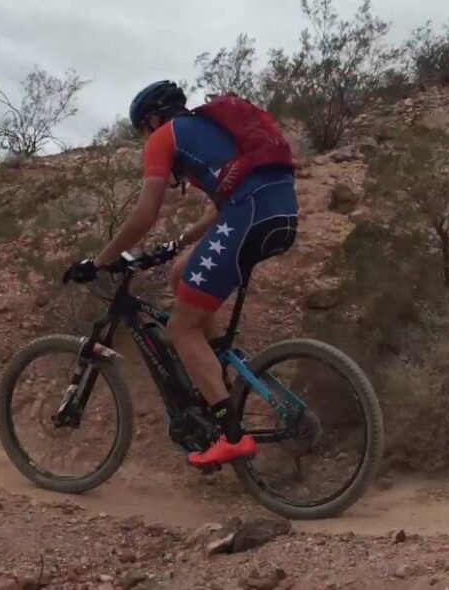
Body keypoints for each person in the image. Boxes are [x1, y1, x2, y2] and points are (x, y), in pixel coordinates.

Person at [70, 80, 298, 468]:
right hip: (280, 214)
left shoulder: (164, 137)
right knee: (182, 273)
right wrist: (180, 241)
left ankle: (231, 435)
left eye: (144, 129)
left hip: (248, 217)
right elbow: (222, 205)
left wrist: (99, 260)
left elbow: (144, 215)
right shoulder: (208, 130)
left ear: (153, 119)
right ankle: (217, 367)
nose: (146, 137)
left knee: (179, 329)